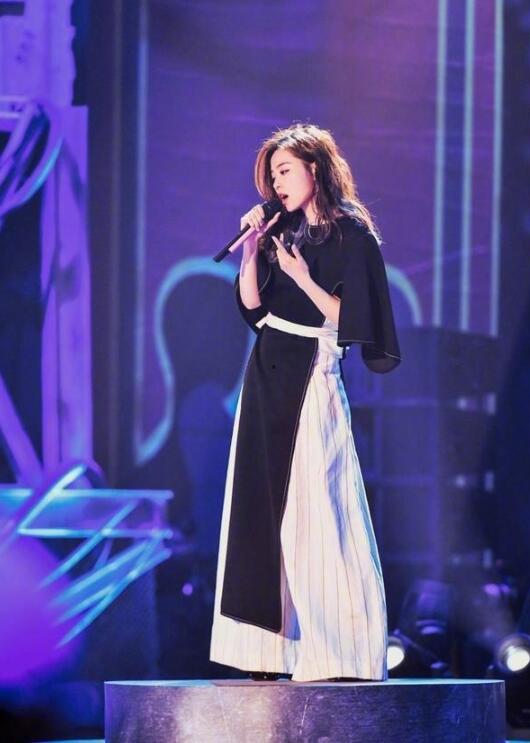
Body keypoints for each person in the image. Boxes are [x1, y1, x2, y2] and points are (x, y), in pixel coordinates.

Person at [209, 123, 401, 682]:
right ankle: (267, 653)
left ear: (315, 168)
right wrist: (252, 251)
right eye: (272, 175)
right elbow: (255, 309)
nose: (277, 183)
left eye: (285, 170)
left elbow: (356, 322)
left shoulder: (352, 235)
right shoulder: (280, 230)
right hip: (266, 370)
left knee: (318, 504)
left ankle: (338, 651)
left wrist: (302, 277)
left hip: (313, 370)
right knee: (259, 508)